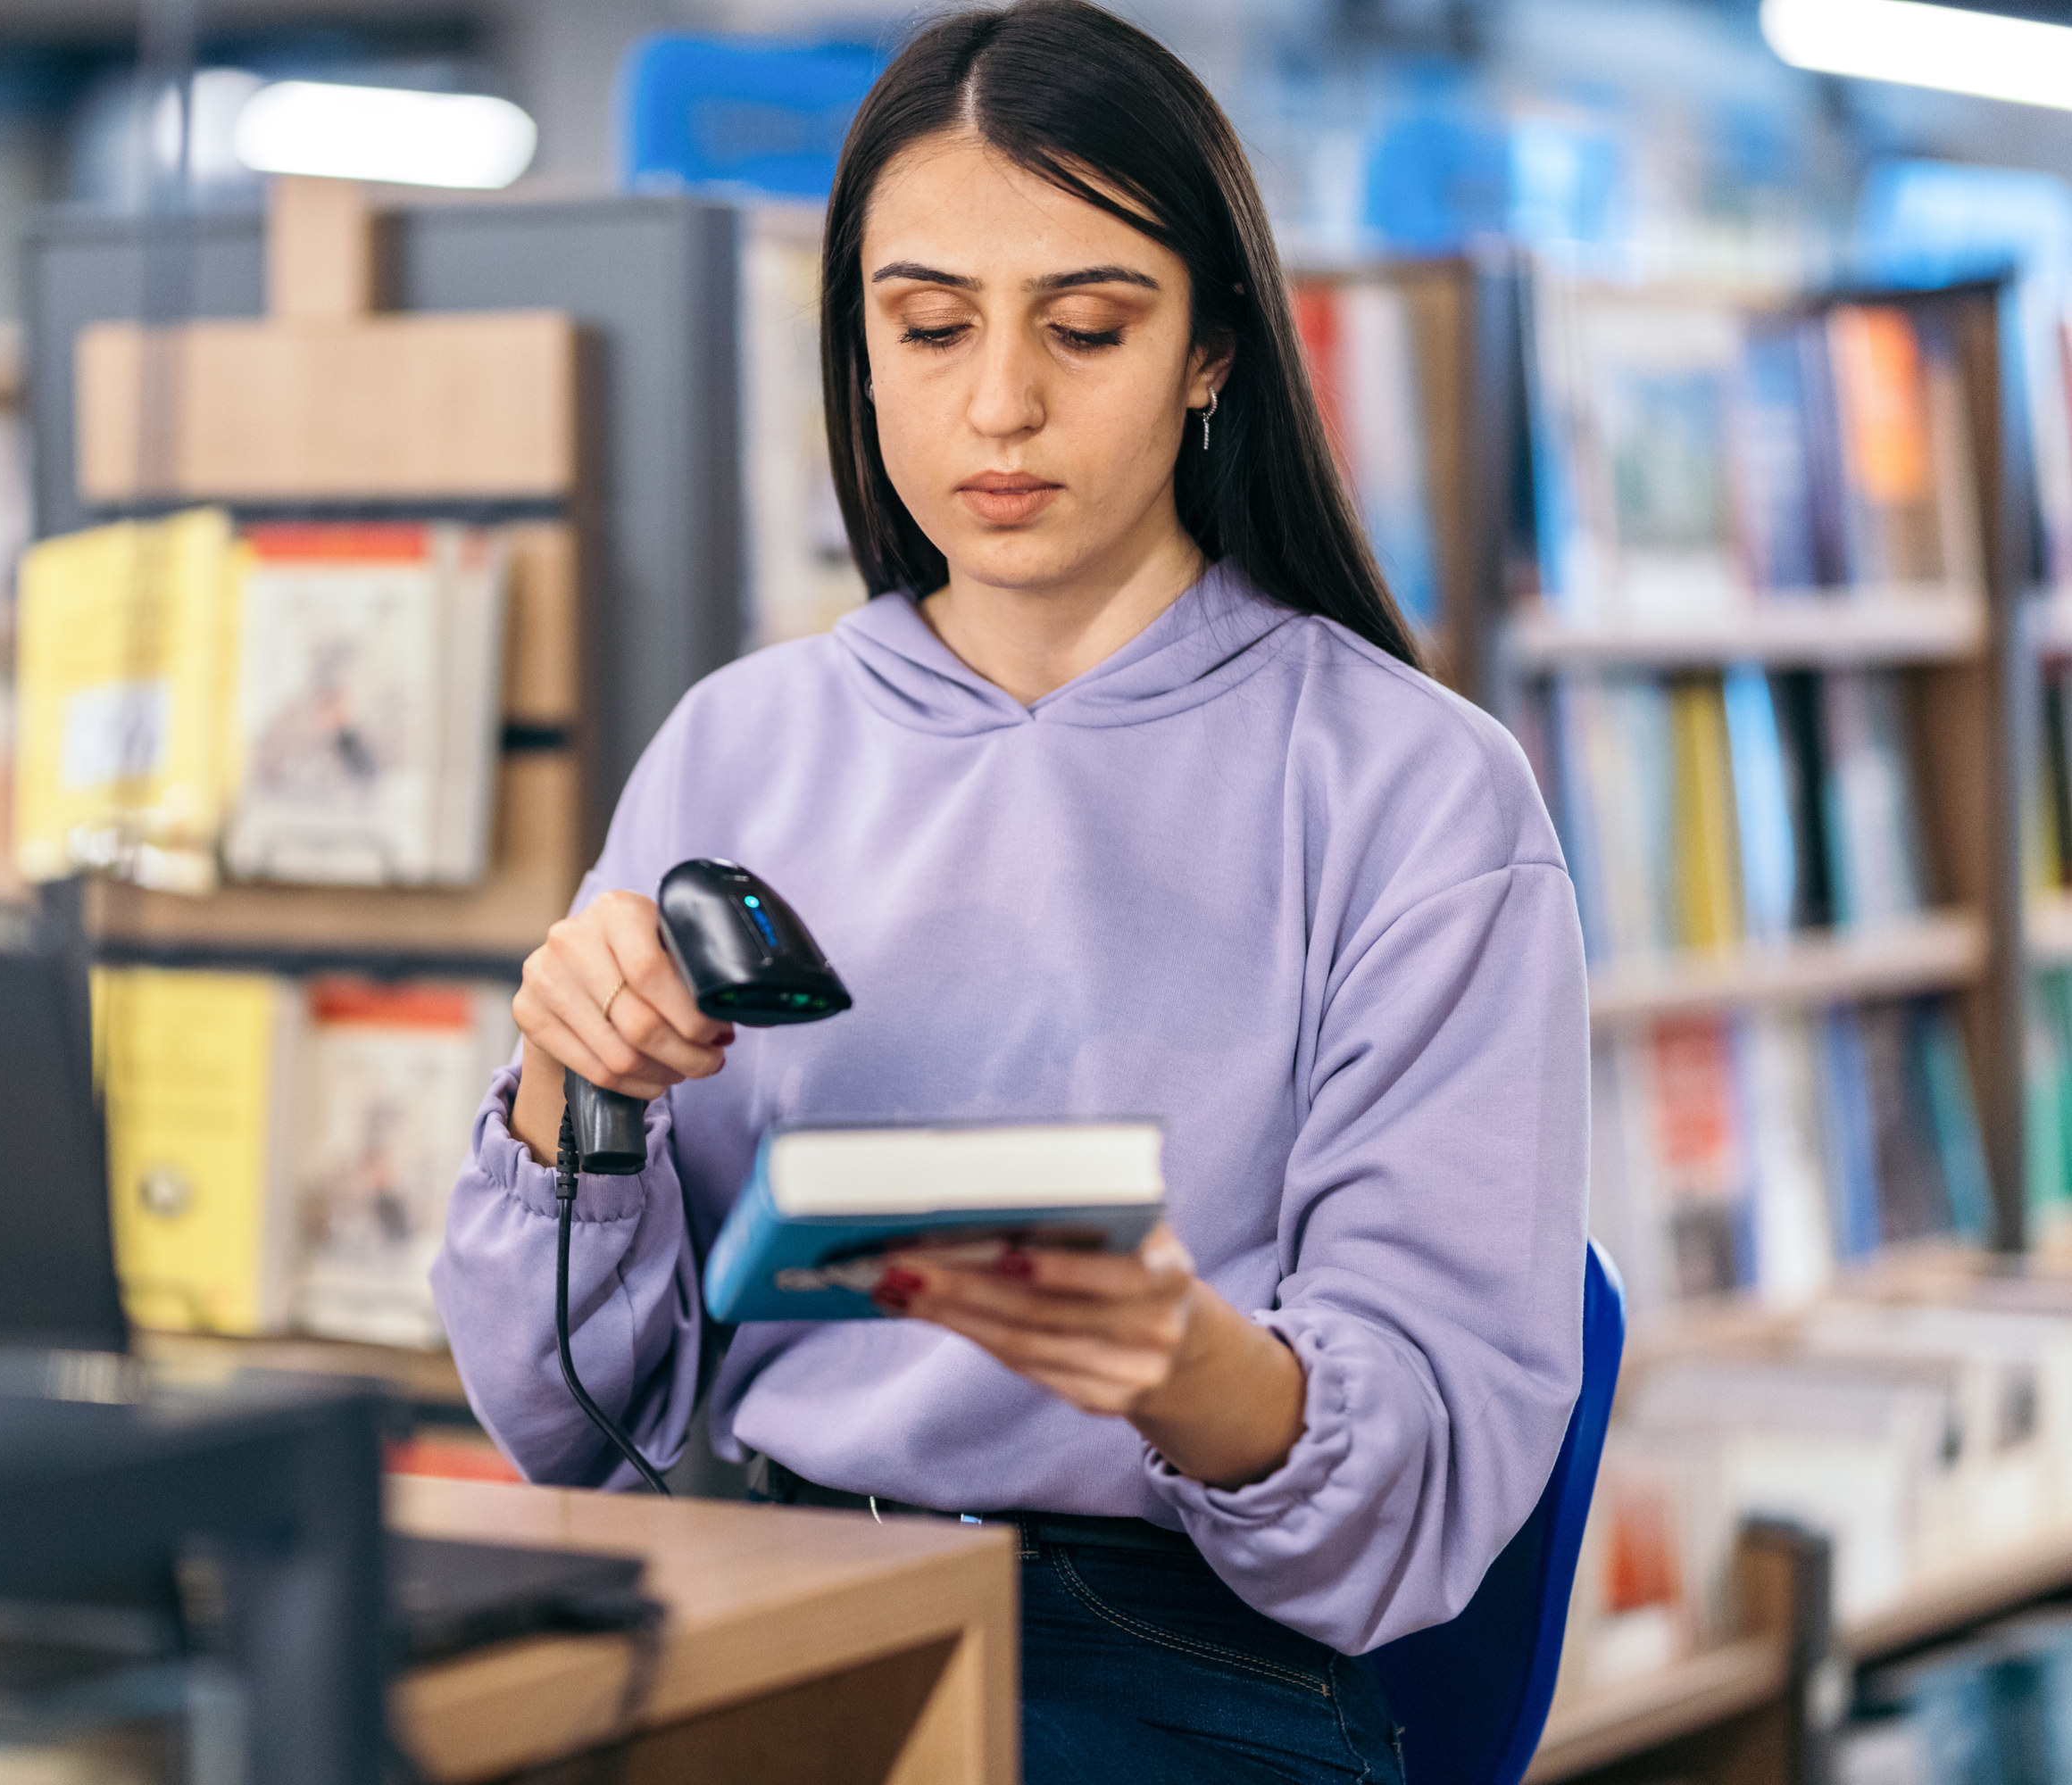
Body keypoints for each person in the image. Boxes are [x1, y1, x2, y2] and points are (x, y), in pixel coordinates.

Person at [435, 3, 1588, 1777]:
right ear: (860, 354)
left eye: (1089, 325)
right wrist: (565, 1092)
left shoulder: (1412, 791)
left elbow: (1422, 1497)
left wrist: (1183, 1365)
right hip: (762, 1582)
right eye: (928, 325)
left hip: (1169, 1657)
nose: (1000, 403)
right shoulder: (736, 748)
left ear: (1212, 349)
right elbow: (575, 1423)